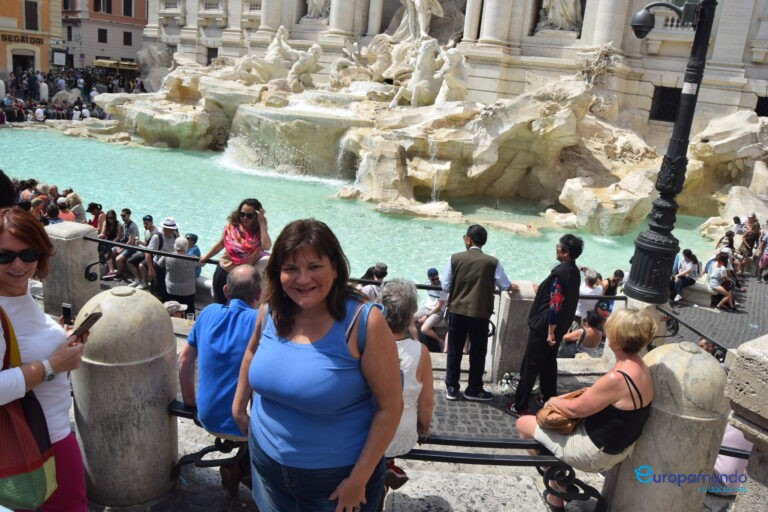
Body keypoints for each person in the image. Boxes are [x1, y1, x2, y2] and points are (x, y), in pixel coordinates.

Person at [232, 219, 402, 512]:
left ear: (335, 268)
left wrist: (359, 479)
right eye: (290, 268)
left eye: (314, 267)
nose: (302, 279)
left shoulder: (364, 322)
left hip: (337, 480)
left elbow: (390, 407)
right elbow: (251, 352)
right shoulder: (271, 310)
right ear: (278, 272)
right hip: (266, 465)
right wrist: (238, 407)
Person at [515, 308, 655, 512]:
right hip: (620, 448)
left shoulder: (617, 378)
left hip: (596, 453)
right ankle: (559, 486)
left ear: (617, 339)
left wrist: (552, 401)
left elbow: (574, 410)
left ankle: (558, 485)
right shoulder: (641, 367)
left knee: (523, 425)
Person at [0, 206, 88, 511]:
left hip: (48, 436)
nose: (18, 264)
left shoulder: (18, 294)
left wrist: (60, 339)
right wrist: (52, 365)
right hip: (37, 446)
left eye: (29, 254)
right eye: (4, 256)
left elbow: (20, 341)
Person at [178, 265, 262, 496]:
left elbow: (184, 360)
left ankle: (239, 467)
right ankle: (243, 469)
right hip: (244, 425)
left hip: (205, 415)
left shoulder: (208, 313)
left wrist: (190, 402)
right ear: (259, 294)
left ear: (225, 290)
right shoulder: (260, 321)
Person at [508, 234, 583, 417]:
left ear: (565, 252)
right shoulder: (573, 271)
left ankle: (520, 406)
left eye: (558, 246)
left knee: (530, 365)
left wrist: (550, 332)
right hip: (560, 326)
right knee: (549, 362)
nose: (556, 248)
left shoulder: (560, 274)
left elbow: (556, 304)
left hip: (546, 327)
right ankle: (549, 398)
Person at [442, 224, 519, 401]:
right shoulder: (493, 262)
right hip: (480, 313)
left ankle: (451, 387)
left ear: (468, 240)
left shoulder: (455, 258)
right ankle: (474, 389)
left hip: (457, 310)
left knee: (454, 351)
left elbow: (445, 285)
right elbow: (504, 285)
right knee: (478, 352)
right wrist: (512, 286)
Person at [380, 279, 434, 491]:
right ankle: (386, 467)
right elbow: (427, 402)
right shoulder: (421, 352)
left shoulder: (365, 344)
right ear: (411, 316)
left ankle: (383, 469)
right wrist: (423, 428)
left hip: (367, 432)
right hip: (403, 433)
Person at [200, 199, 271, 305]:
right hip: (223, 271)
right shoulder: (232, 227)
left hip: (241, 278)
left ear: (257, 216)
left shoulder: (259, 233)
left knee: (234, 306)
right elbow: (220, 244)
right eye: (242, 214)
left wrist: (262, 223)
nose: (245, 218)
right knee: (219, 304)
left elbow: (266, 246)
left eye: (249, 215)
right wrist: (206, 257)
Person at [159, 236, 199, 313]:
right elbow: (203, 263)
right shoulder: (192, 258)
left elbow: (160, 264)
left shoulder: (167, 257)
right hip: (188, 290)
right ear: (187, 247)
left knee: (172, 310)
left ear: (175, 246)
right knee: (189, 310)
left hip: (172, 289)